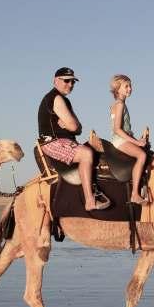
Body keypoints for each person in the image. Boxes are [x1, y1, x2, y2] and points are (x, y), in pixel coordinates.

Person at [37, 67, 109, 211]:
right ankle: (90, 200)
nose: (70, 85)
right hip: (52, 142)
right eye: (67, 81)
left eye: (73, 82)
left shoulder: (65, 101)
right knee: (86, 154)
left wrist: (73, 126)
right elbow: (74, 125)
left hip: (65, 141)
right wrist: (72, 126)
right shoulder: (55, 98)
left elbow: (78, 128)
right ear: (55, 80)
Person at [109, 74, 148, 205]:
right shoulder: (120, 105)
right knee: (142, 156)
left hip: (120, 139)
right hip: (119, 140)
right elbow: (117, 129)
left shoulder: (118, 104)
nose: (130, 89)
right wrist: (137, 142)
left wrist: (138, 140)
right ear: (117, 89)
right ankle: (135, 194)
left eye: (130, 86)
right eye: (126, 86)